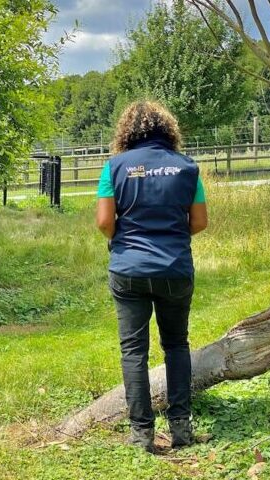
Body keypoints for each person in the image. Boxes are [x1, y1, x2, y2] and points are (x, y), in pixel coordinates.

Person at [96, 100, 208, 453]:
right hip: (175, 268)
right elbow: (200, 222)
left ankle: (142, 434)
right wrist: (171, 237)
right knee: (176, 345)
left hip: (128, 269)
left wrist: (124, 240)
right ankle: (180, 428)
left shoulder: (114, 167)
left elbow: (103, 221)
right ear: (168, 130)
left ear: (126, 132)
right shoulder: (187, 168)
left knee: (134, 351)